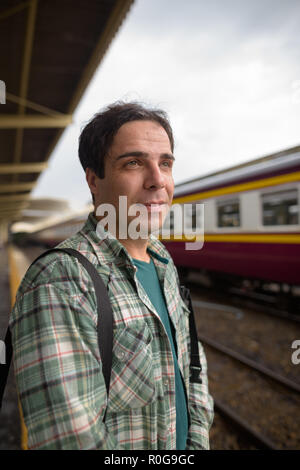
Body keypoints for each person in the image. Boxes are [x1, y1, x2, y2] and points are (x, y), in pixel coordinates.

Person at [9, 102, 214, 450]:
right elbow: (72, 441)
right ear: (94, 180)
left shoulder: (164, 264)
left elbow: (194, 377)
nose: (157, 180)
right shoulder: (60, 280)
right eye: (134, 163)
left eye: (165, 163)